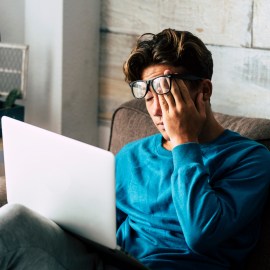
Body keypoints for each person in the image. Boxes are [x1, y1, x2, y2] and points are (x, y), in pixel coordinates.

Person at [0, 28, 270, 270]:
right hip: (111, 263)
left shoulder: (249, 159)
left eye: (166, 92)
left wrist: (184, 142)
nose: (155, 110)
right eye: (149, 97)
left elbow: (201, 234)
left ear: (204, 90)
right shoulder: (132, 156)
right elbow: (97, 229)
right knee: (16, 219)